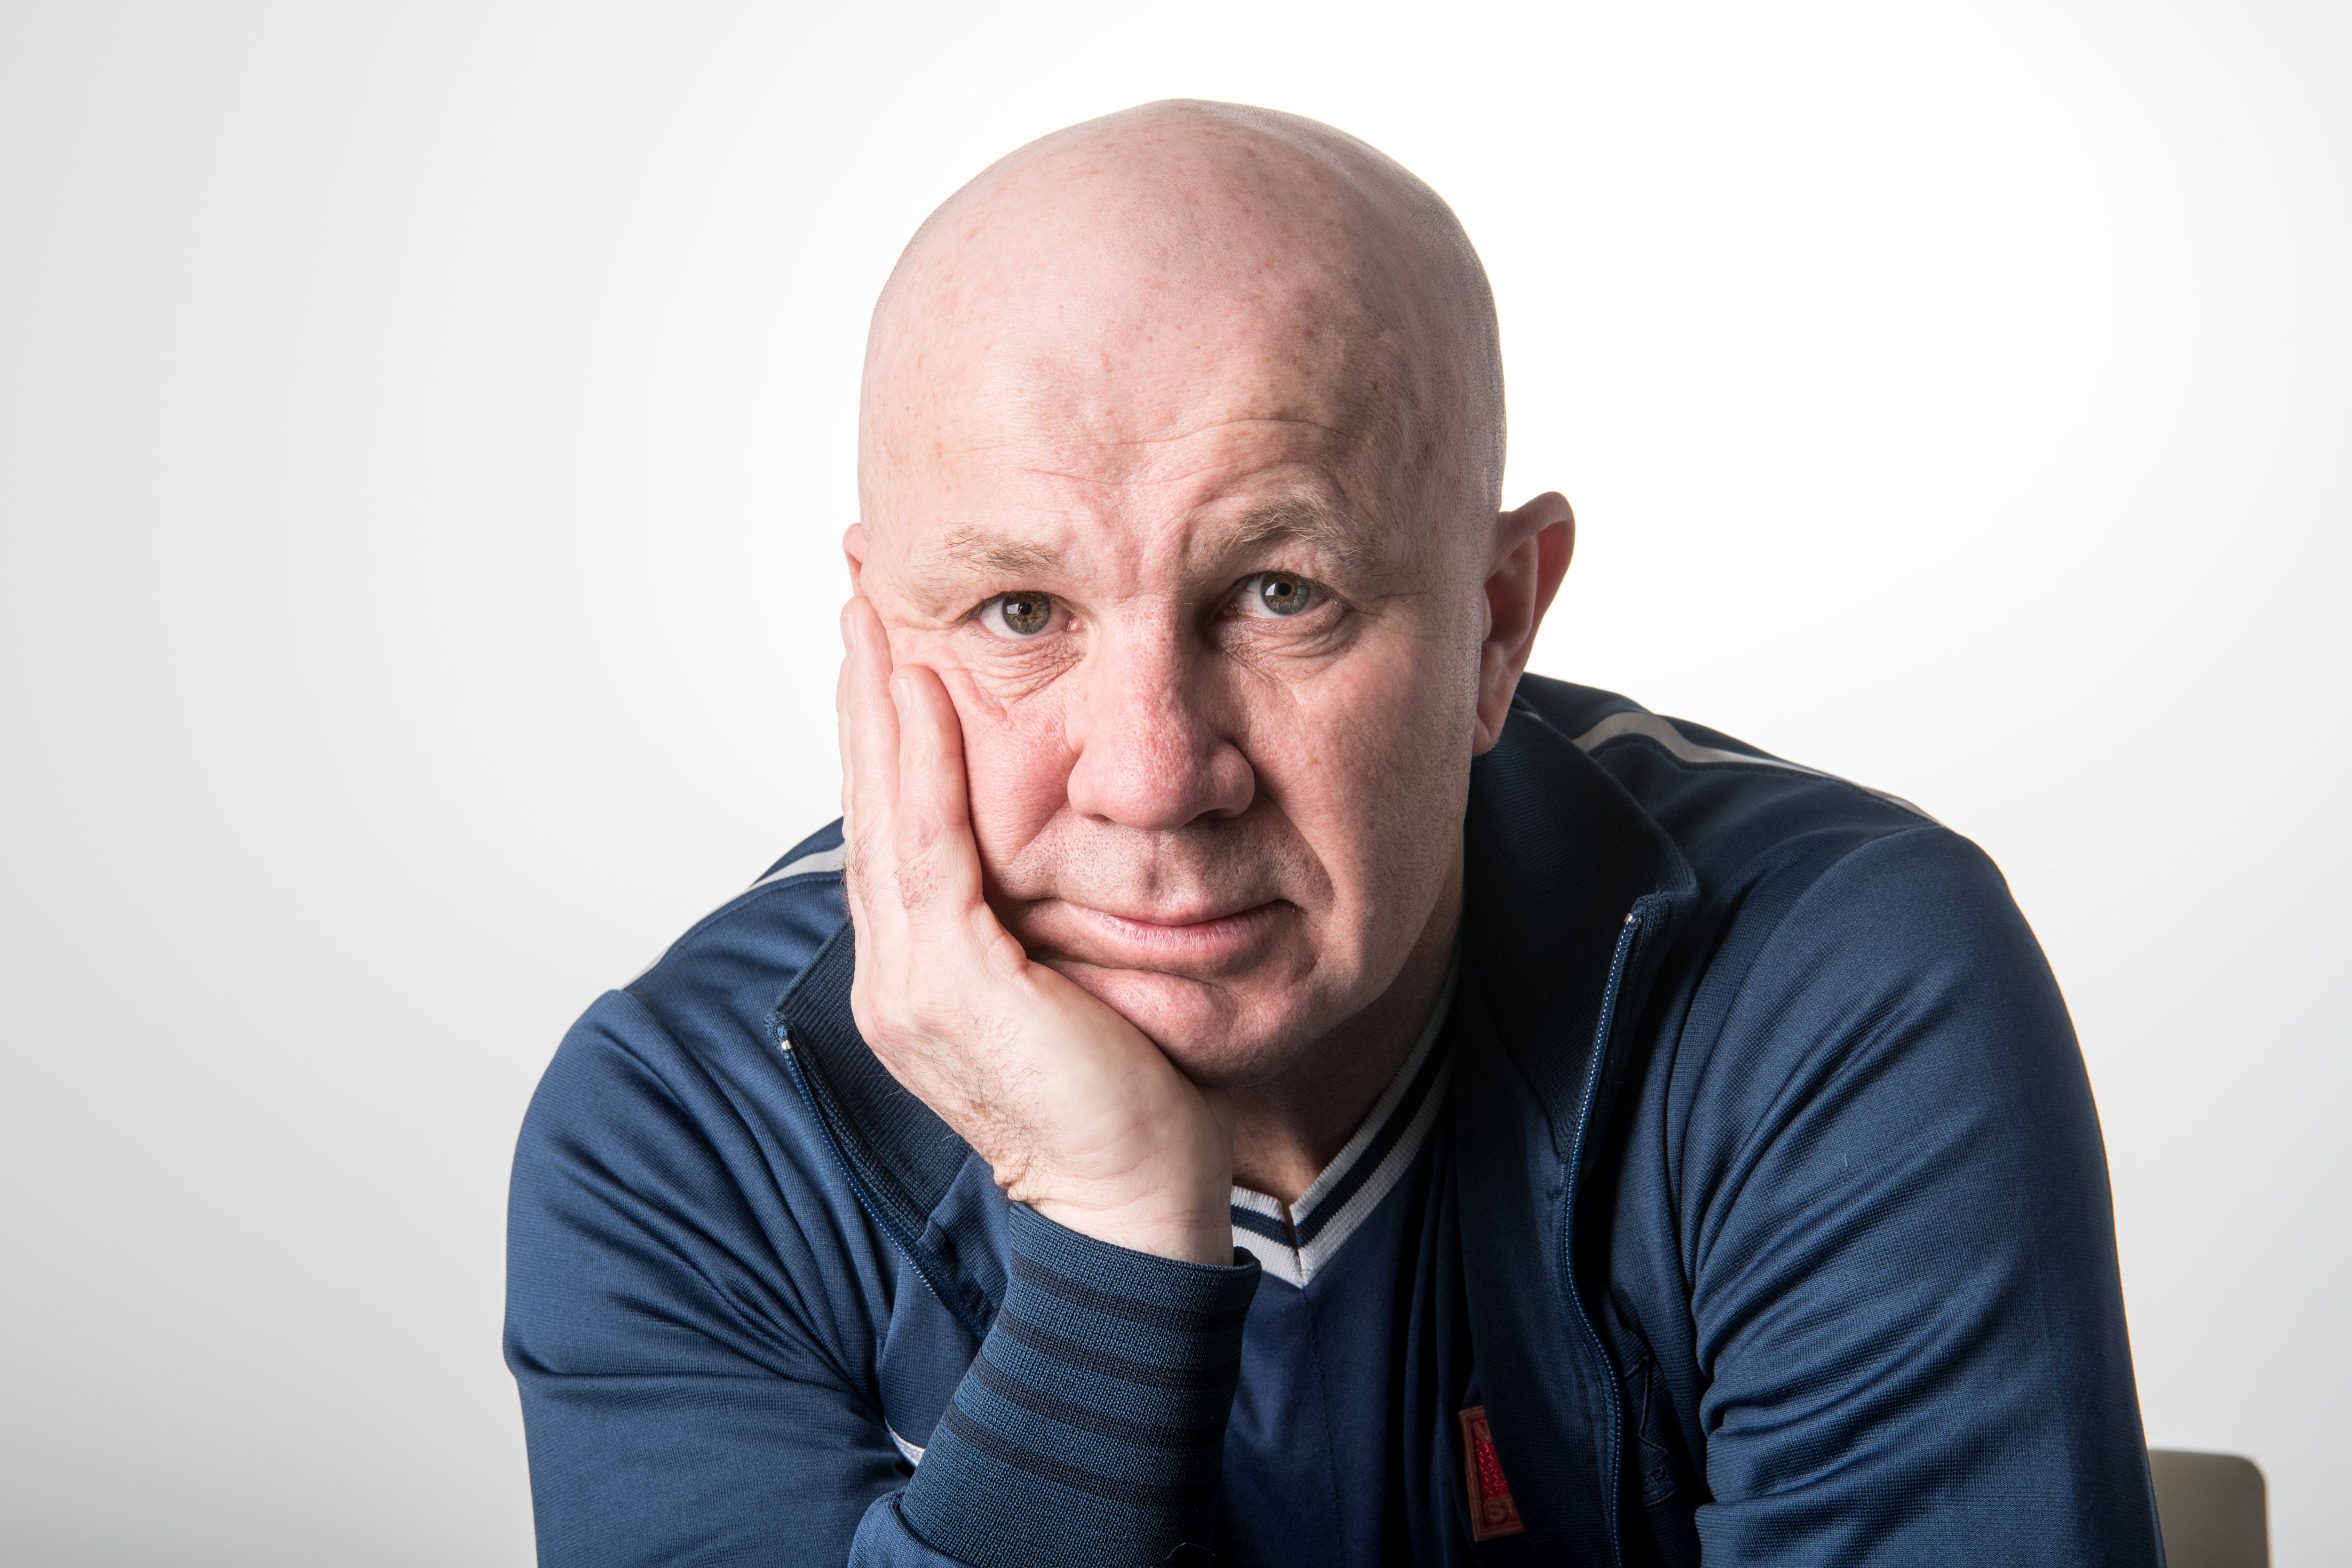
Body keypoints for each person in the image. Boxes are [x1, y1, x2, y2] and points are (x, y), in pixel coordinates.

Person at [504, 101, 2162, 1567]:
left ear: (1497, 624)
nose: (1153, 776)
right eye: (1021, 611)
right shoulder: (683, 1138)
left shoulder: (1831, 991)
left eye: (1281, 593)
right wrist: (1112, 1233)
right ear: (878, 640)